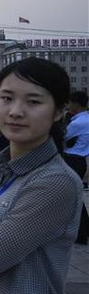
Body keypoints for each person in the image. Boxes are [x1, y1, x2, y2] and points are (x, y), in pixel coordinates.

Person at [0, 57, 83, 294]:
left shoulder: (55, 183)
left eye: (33, 101)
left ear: (58, 112)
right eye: (7, 98)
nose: (15, 111)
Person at [63, 90, 89, 245]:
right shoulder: (85, 119)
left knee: (73, 198)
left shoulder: (78, 122)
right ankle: (84, 230)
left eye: (70, 102)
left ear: (76, 104)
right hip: (79, 160)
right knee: (75, 196)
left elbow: (63, 136)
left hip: (72, 159)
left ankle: (81, 234)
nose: (68, 105)